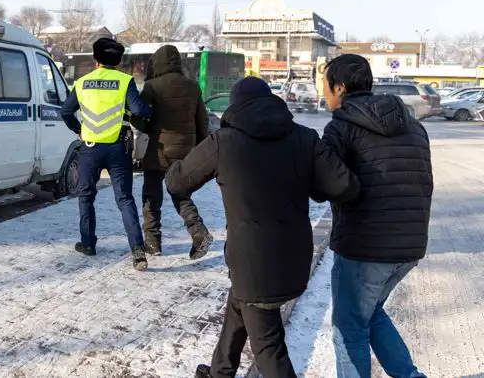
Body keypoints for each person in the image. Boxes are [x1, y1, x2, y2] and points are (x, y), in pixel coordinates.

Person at [164, 76, 360, 378]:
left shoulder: (223, 142)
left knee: (268, 348)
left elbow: (177, 182)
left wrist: (174, 158)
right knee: (239, 306)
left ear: (235, 107)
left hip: (254, 265)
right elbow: (344, 186)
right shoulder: (304, 137)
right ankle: (221, 372)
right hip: (292, 259)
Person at [321, 54, 432, 378]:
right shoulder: (413, 124)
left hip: (365, 248)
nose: (324, 93)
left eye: (326, 85)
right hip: (410, 245)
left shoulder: (341, 126)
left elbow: (326, 183)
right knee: (370, 314)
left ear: (340, 87)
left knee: (348, 330)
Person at [61, 38, 153, 271]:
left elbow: (66, 112)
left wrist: (79, 129)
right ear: (119, 60)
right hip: (118, 148)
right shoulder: (125, 81)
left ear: (96, 60)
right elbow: (141, 110)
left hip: (90, 149)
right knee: (124, 199)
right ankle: (138, 251)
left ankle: (88, 243)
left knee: (86, 196)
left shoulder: (82, 82)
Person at [130, 45, 212, 259]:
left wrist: (145, 125)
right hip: (186, 152)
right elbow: (202, 122)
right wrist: (203, 151)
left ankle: (153, 242)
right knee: (180, 193)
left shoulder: (151, 86)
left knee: (151, 196)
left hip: (159, 151)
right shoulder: (193, 87)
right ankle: (198, 232)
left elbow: (140, 119)